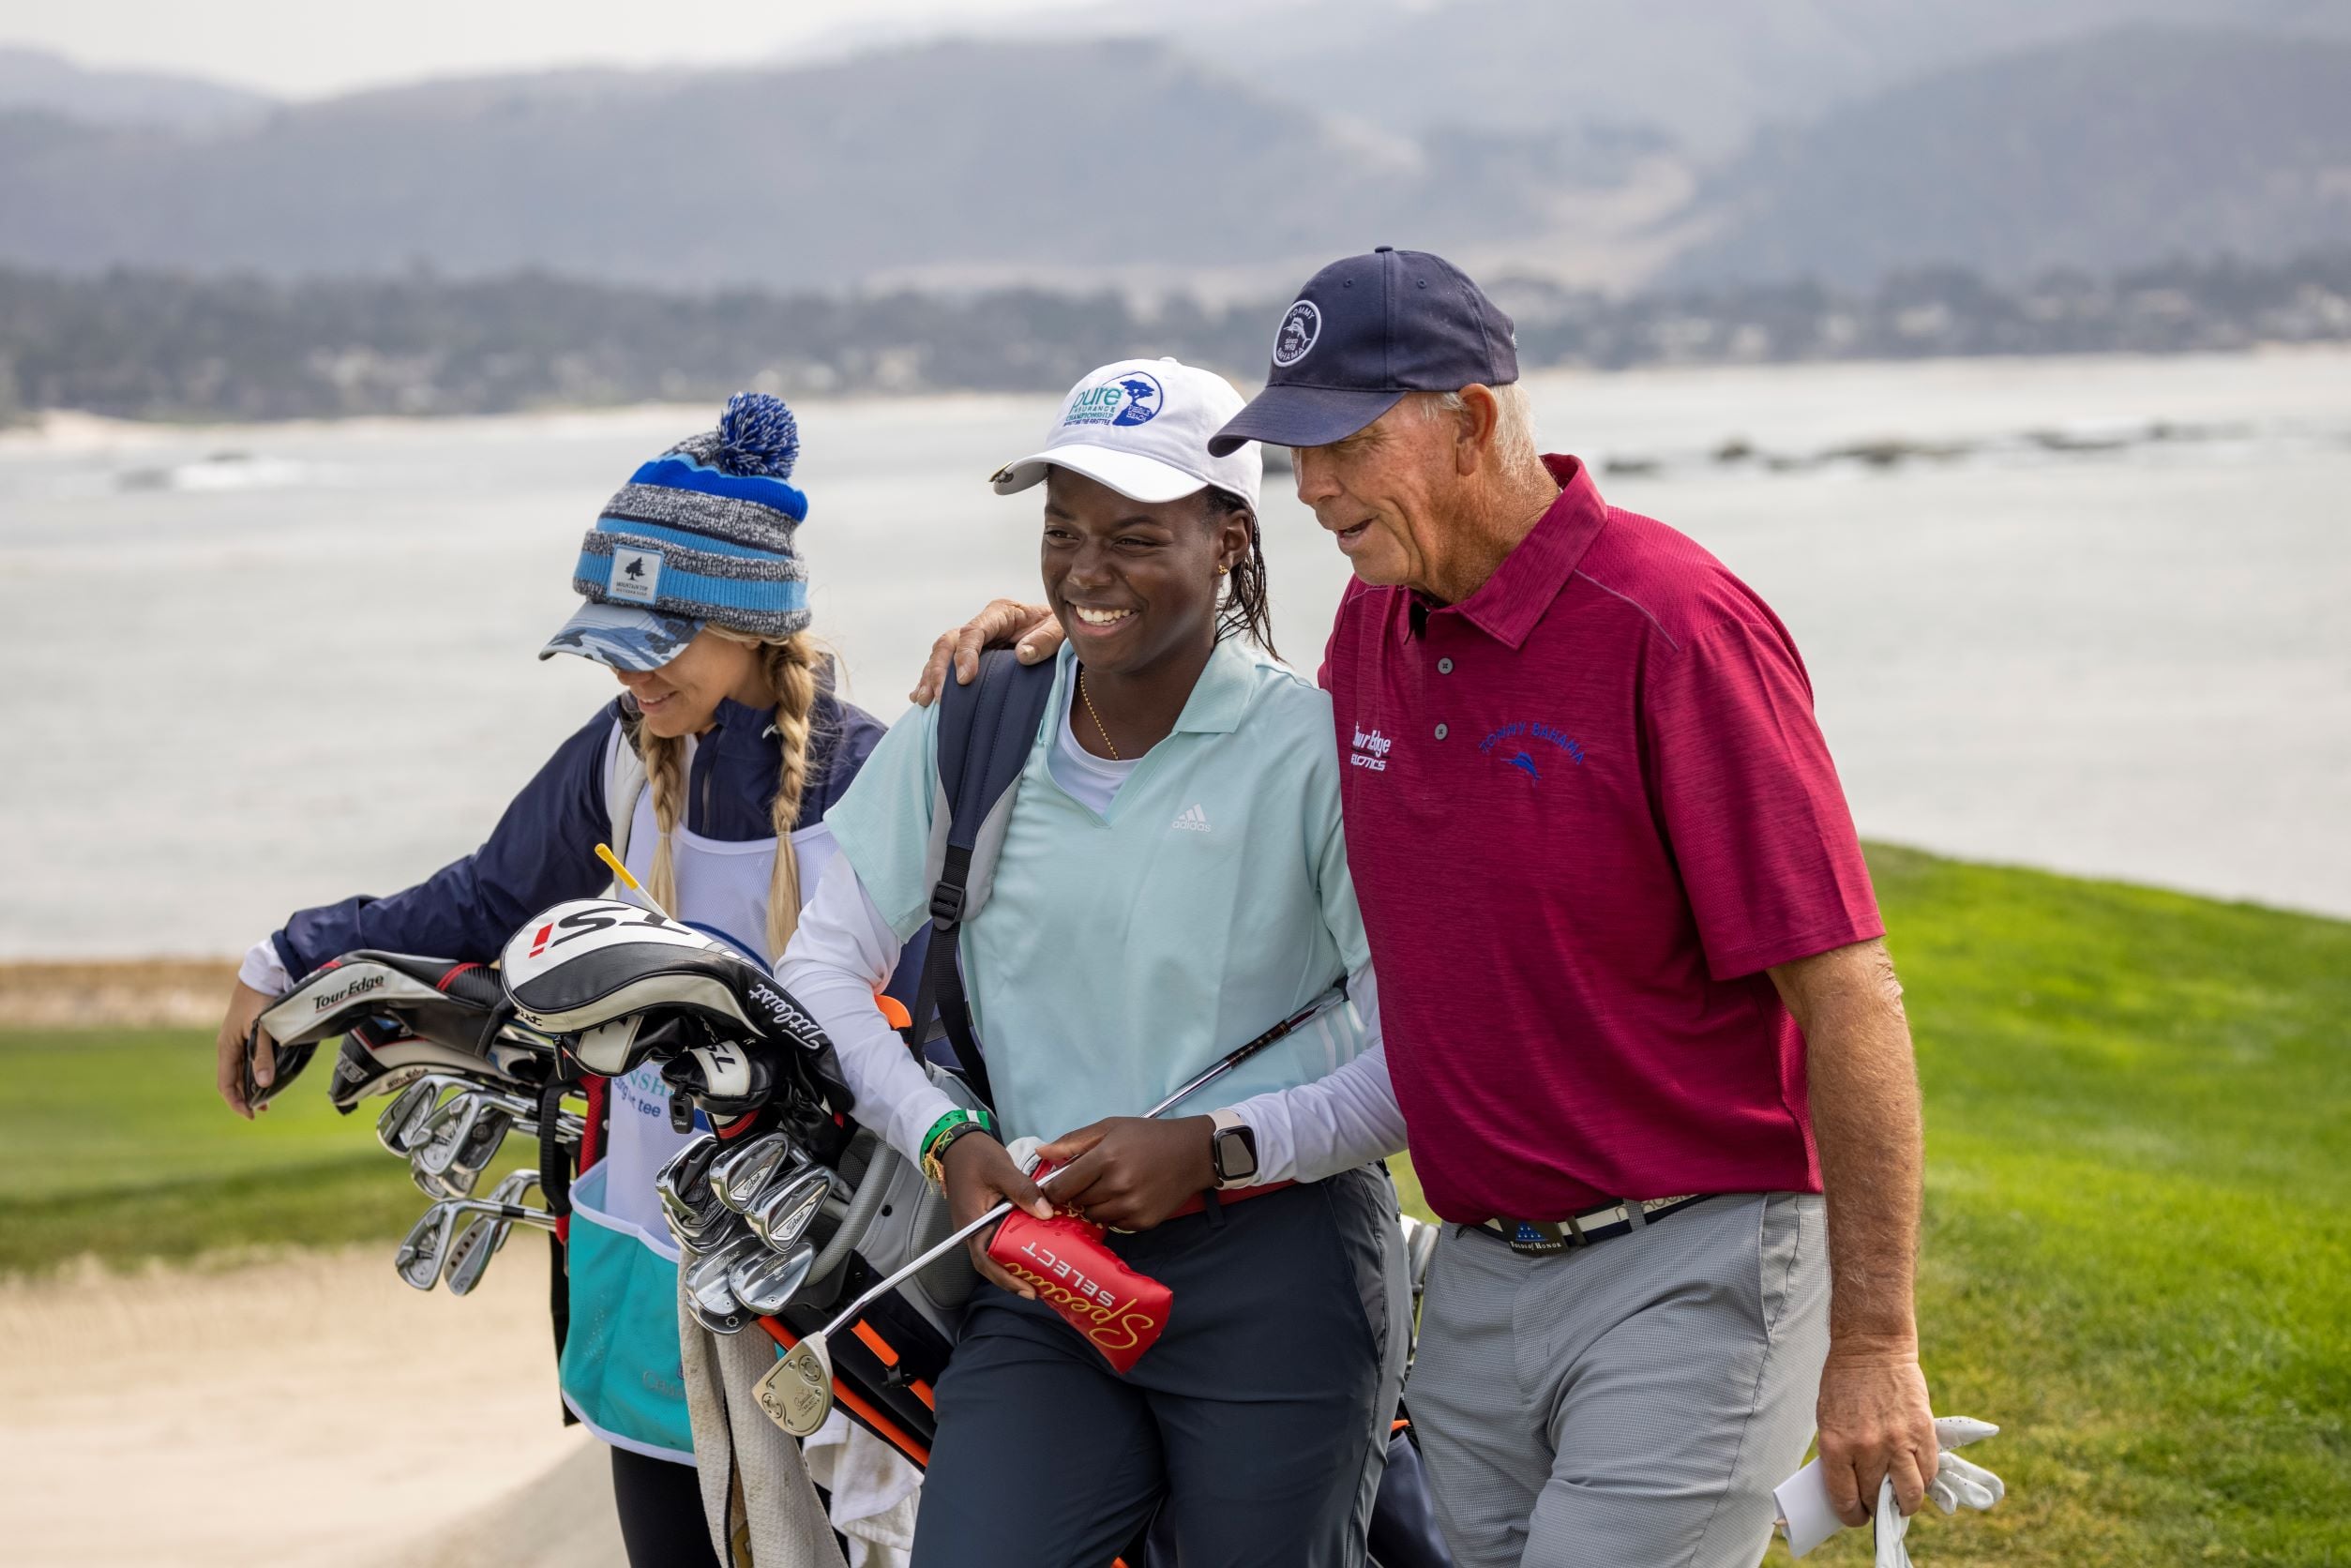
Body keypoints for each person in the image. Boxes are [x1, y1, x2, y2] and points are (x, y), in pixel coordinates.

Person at [913, 249, 1942, 1568]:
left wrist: (1872, 1340)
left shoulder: (1671, 627)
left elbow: (1846, 991)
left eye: (1344, 442)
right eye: (1293, 454)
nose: (1314, 490)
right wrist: (1087, 631)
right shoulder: (1372, 628)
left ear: (1466, 419)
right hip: (1475, 1283)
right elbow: (1230, 732)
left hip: (1692, 1259)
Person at [214, 393, 908, 1568]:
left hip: (817, 1285)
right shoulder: (620, 754)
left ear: (746, 624)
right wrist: (285, 959)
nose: (631, 680)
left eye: (653, 649)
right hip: (640, 1267)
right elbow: (483, 902)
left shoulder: (876, 778)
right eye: (613, 650)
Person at [776, 357, 1409, 1568]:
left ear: (1229, 540)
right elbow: (820, 969)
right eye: (1062, 531)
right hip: (1042, 1266)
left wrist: (1217, 1148)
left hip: (1279, 1270)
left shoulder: (1312, 751)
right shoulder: (973, 715)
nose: (1083, 571)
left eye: (1132, 535)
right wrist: (943, 1135)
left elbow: (1412, 1065)